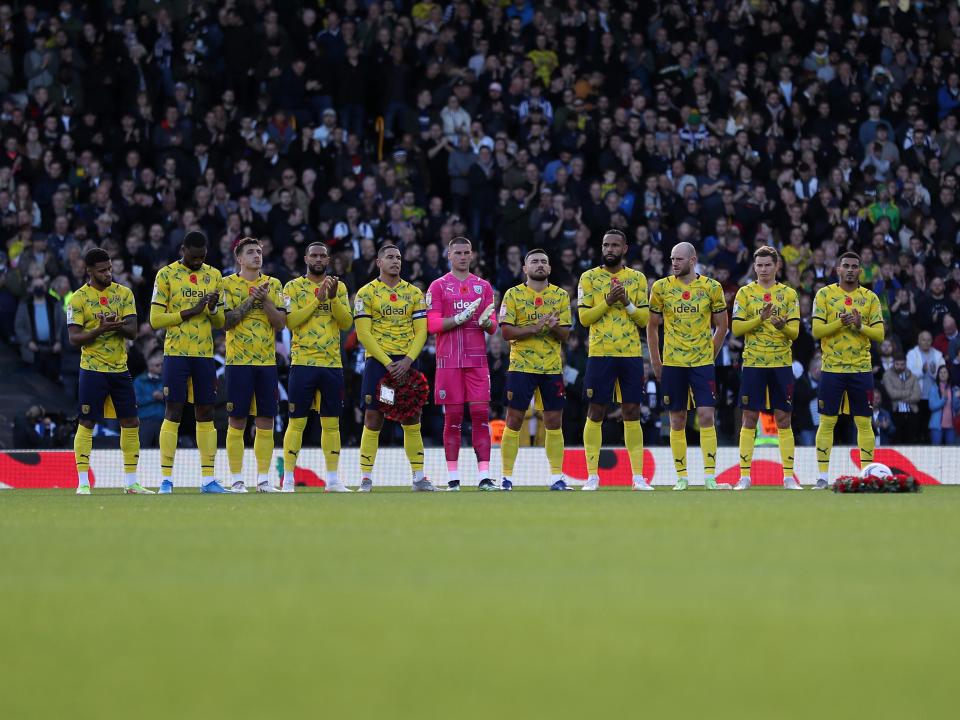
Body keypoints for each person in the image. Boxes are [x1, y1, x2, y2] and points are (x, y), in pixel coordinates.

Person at [149, 231, 230, 494]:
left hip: (204, 355)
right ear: (182, 250)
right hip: (176, 354)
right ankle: (166, 480)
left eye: (201, 257)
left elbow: (220, 323)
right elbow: (155, 319)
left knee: (206, 413)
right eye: (192, 257)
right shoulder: (165, 275)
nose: (197, 262)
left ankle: (208, 480)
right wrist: (190, 312)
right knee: (173, 410)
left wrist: (214, 309)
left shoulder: (214, 275)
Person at [67, 248, 151, 494]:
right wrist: (100, 329)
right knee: (87, 421)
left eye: (109, 268)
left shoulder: (124, 293)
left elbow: (133, 330)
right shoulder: (78, 298)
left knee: (131, 421)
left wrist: (117, 327)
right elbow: (74, 339)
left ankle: (131, 482)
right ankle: (83, 482)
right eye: (102, 270)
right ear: (89, 270)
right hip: (92, 368)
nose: (108, 273)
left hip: (119, 368)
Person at [647, 241, 729, 491]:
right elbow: (652, 326)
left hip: (702, 364)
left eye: (679, 259)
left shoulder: (711, 287)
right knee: (677, 419)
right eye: (672, 259)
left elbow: (722, 326)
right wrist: (656, 361)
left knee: (706, 415)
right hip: (673, 363)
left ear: (692, 260)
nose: (674, 263)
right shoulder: (661, 288)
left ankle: (709, 476)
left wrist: (710, 353)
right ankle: (681, 477)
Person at [577, 229, 651, 492]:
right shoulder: (588, 278)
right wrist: (608, 301)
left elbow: (643, 320)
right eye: (606, 244)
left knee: (632, 412)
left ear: (625, 249)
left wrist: (628, 303)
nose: (609, 249)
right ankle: (592, 476)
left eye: (615, 245)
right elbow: (585, 319)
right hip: (600, 353)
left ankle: (638, 477)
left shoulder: (637, 278)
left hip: (631, 354)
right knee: (596, 411)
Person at [354, 244, 431, 491]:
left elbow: (422, 331)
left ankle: (419, 477)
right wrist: (388, 363)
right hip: (379, 363)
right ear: (378, 262)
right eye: (390, 257)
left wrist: (407, 361)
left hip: (407, 362)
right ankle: (366, 478)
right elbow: (363, 334)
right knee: (373, 417)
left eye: (398, 257)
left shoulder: (414, 293)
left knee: (412, 417)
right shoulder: (366, 293)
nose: (395, 261)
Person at [426, 236, 498, 491]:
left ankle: (485, 477)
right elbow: (432, 324)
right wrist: (460, 317)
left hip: (476, 361)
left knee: (480, 416)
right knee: (453, 418)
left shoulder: (483, 287)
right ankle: (453, 478)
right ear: (449, 255)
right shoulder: (438, 286)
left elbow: (493, 326)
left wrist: (485, 322)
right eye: (458, 253)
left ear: (472, 255)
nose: (463, 257)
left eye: (467, 252)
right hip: (448, 363)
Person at [281, 242, 353, 492]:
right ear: (306, 258)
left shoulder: (339, 287)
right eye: (314, 255)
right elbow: (290, 322)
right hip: (303, 363)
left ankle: (333, 479)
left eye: (323, 255)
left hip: (332, 364)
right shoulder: (292, 287)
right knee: (296, 422)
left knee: (331, 424)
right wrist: (317, 300)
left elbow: (346, 323)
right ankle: (288, 478)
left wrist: (332, 299)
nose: (319, 259)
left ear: (329, 259)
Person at [499, 249, 572, 491]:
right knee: (514, 419)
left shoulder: (560, 296)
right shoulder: (513, 294)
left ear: (549, 269)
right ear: (525, 268)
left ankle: (556, 477)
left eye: (544, 261)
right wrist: (533, 327)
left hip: (551, 368)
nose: (539, 265)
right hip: (521, 366)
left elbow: (566, 335)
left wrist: (553, 327)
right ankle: (506, 477)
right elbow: (506, 332)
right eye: (534, 262)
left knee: (553, 421)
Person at [731, 246, 802, 490]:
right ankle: (744, 476)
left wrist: (782, 326)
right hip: (753, 363)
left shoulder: (789, 294)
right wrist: (759, 319)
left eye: (767, 265)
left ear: (777, 266)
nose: (763, 270)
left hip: (781, 363)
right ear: (754, 267)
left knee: (784, 418)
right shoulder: (745, 293)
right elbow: (737, 329)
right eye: (759, 265)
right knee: (749, 417)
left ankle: (789, 477)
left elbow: (795, 333)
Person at [812, 252, 885, 489]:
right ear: (838, 270)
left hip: (861, 369)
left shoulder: (870, 298)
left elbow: (880, 335)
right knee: (827, 422)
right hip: (832, 368)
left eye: (855, 266)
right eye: (846, 266)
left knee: (864, 423)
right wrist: (840, 323)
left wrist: (859, 325)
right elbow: (816, 331)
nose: (850, 270)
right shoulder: (824, 294)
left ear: (860, 271)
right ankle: (822, 477)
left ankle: (868, 476)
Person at [222, 237, 287, 493]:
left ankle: (263, 480)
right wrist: (252, 300)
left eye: (259, 251)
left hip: (266, 362)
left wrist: (265, 300)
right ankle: (237, 480)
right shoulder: (227, 283)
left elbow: (281, 323)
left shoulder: (274, 284)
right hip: (238, 361)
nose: (257, 256)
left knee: (266, 420)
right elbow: (226, 322)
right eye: (250, 252)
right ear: (239, 258)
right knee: (237, 420)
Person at [134, 351, 165, 448]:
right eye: (157, 365)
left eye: (162, 364)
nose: (161, 367)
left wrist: (164, 397)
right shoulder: (139, 381)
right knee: (144, 451)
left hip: (163, 421)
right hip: (145, 422)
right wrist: (153, 397)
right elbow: (135, 400)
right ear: (149, 366)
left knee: (163, 452)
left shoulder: (167, 380)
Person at [927, 365, 958, 445]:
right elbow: (932, 406)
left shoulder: (954, 389)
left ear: (948, 375)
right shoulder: (934, 388)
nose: (943, 374)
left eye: (945, 372)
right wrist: (943, 400)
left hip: (951, 425)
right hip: (937, 425)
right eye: (940, 372)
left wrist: (957, 398)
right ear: (938, 374)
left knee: (951, 452)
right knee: (936, 451)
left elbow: (956, 407)